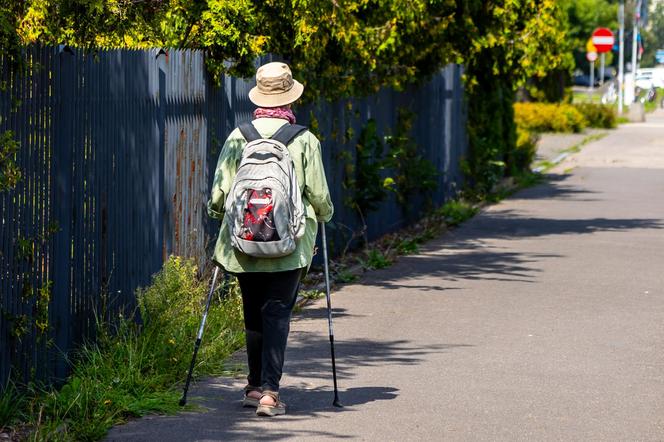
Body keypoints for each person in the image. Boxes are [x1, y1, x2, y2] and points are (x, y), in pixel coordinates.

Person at [207, 61, 333, 417]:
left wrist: (222, 215)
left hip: (244, 243)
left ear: (258, 95)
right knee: (276, 312)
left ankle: (252, 387)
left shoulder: (239, 136)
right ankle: (270, 393)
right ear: (290, 97)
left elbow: (218, 195)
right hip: (289, 245)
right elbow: (320, 196)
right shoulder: (304, 139)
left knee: (252, 312)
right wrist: (325, 216)